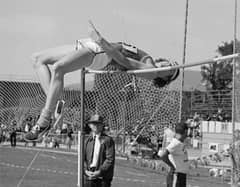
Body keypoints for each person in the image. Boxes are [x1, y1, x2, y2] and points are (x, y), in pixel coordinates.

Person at [24, 22, 180, 142]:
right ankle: (56, 102)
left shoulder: (150, 71)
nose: (168, 64)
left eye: (171, 69)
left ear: (165, 77)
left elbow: (123, 60)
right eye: (171, 62)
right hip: (93, 46)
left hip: (99, 53)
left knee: (59, 68)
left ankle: (44, 121)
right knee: (37, 59)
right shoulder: (149, 60)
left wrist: (100, 39)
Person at [84, 114, 115, 187]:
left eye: (98, 123)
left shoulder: (108, 140)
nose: (96, 125)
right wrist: (85, 170)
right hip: (88, 177)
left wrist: (100, 172)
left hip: (102, 179)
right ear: (90, 125)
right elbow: (83, 158)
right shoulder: (87, 140)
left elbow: (110, 159)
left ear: (102, 125)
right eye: (94, 123)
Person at [158, 122, 189, 187]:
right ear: (186, 131)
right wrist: (172, 166)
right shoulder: (175, 143)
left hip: (181, 175)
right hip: (176, 175)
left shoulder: (180, 142)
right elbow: (163, 155)